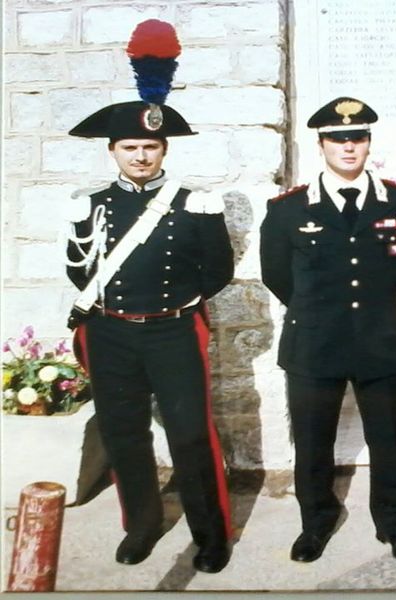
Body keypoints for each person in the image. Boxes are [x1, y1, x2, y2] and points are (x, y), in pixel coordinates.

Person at [64, 20, 234, 573]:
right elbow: (77, 271)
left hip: (171, 330)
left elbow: (218, 271)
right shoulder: (89, 203)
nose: (140, 156)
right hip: (111, 331)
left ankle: (211, 534)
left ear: (164, 150)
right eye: (130, 147)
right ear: (112, 151)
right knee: (124, 433)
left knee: (189, 435)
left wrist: (176, 304)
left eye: (150, 147)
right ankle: (141, 523)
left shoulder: (196, 203)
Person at [259, 97, 396, 565]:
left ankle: (394, 524)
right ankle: (315, 523)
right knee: (313, 441)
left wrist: (367, 308)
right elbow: (278, 275)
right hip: (314, 341)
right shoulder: (287, 209)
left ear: (369, 142)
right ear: (321, 144)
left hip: (380, 338)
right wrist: (322, 312)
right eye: (338, 138)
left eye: (358, 137)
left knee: (389, 440)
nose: (349, 146)